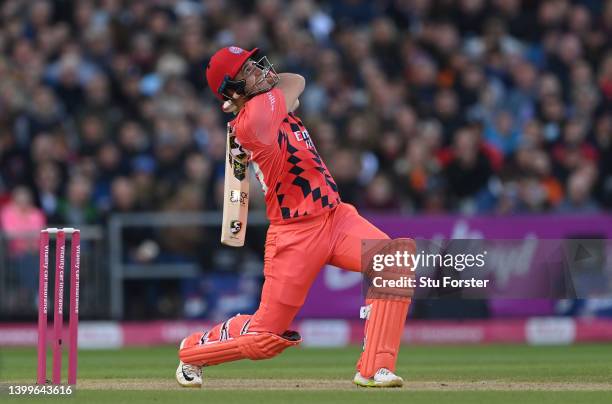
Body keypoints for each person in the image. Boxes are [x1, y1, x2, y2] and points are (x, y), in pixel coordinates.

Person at [175, 46, 415, 388]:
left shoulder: (263, 106)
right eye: (249, 70)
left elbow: (295, 82)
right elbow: (291, 86)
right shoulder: (253, 121)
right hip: (294, 234)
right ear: (233, 89)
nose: (261, 70)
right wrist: (249, 101)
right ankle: (194, 350)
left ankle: (374, 368)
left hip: (336, 217)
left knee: (394, 260)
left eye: (255, 64)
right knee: (266, 338)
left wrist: (246, 94)